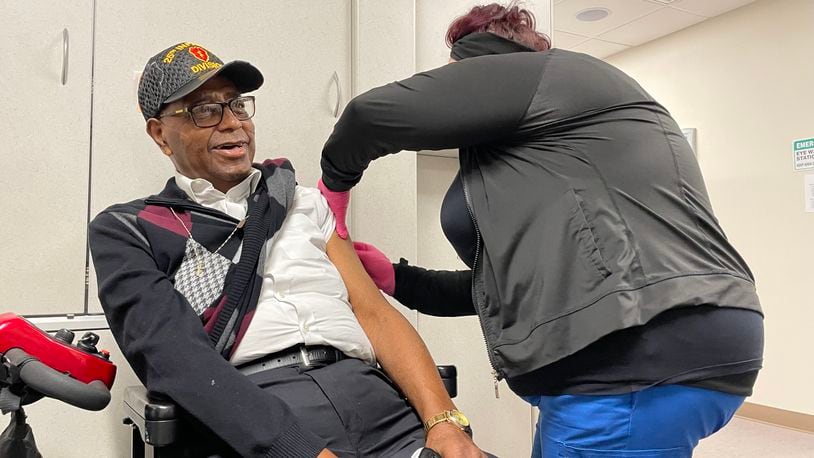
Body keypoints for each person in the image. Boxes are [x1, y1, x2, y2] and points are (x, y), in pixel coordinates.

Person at [317, 3, 765, 457]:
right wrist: (396, 278)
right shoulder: (541, 150)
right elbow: (507, 290)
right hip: (664, 344)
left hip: (632, 355)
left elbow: (367, 117)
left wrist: (330, 197)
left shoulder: (549, 75)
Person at [88, 42, 484, 458]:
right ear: (160, 134)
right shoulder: (130, 229)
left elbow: (374, 312)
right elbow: (178, 362)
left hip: (373, 400)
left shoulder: (301, 200)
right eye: (205, 110)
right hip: (258, 416)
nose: (232, 123)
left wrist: (444, 421)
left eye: (237, 105)